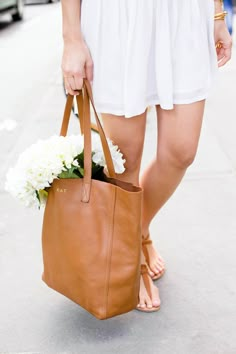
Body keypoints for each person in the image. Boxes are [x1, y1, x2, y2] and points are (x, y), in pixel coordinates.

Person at [61, 0, 232, 313]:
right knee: (126, 158)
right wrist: (72, 38)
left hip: (185, 16)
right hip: (118, 16)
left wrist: (217, 14)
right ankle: (132, 255)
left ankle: (135, 229)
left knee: (181, 151)